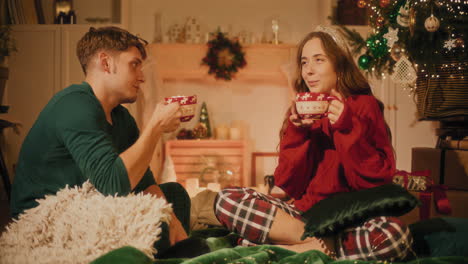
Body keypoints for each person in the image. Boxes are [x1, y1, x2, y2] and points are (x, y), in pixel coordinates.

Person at [214, 26, 413, 261]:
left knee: (393, 236)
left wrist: (347, 128)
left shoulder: (364, 106)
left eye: (319, 60)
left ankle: (279, 248)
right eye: (304, 62)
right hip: (305, 217)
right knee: (226, 199)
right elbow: (289, 184)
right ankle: (321, 246)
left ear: (339, 64)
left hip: (352, 220)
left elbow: (376, 180)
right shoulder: (301, 111)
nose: (309, 71)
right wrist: (298, 132)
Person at [10, 26, 189, 253]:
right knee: (149, 219)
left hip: (92, 204)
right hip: (47, 217)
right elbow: (113, 184)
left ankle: (167, 249)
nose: (142, 76)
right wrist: (155, 128)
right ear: (106, 63)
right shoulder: (74, 105)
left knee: (175, 195)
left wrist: (171, 220)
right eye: (134, 64)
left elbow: (144, 183)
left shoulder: (122, 118)